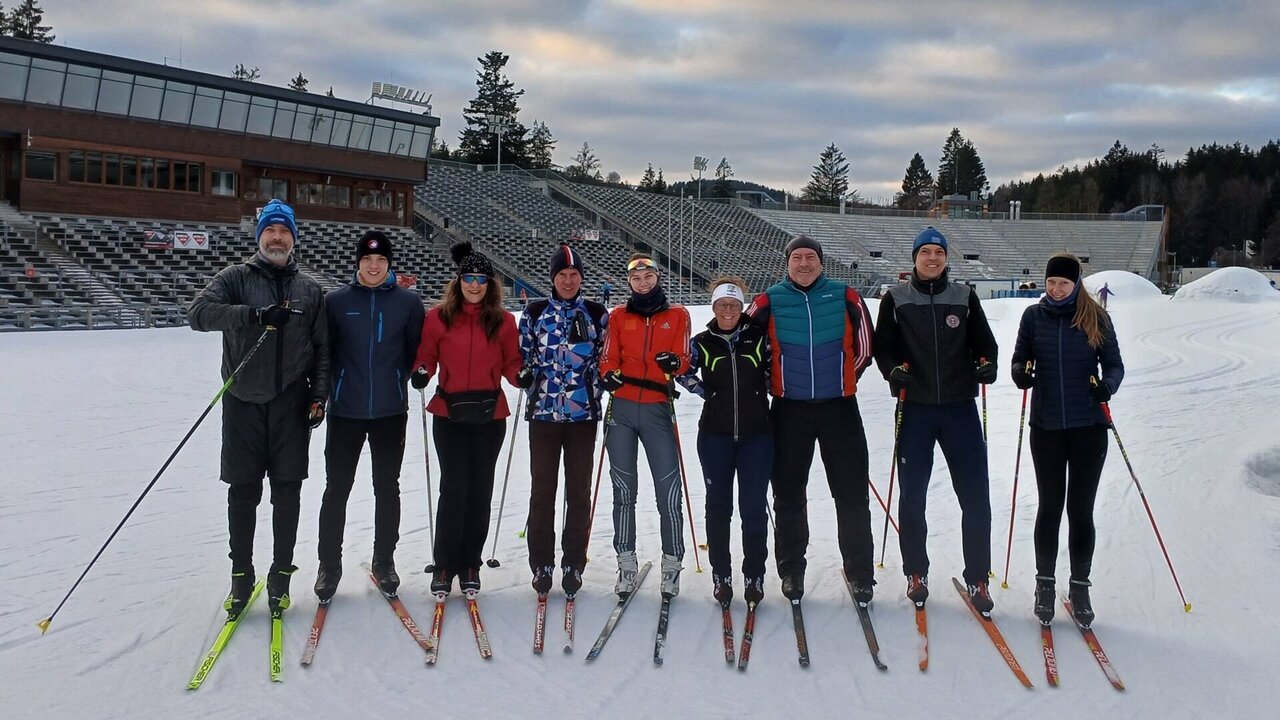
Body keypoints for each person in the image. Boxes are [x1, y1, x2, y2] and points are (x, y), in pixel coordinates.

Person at [188, 199, 330, 616]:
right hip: (243, 400)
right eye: (271, 230)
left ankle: (280, 576)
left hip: (291, 402)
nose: (277, 237)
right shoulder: (235, 277)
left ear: (293, 239)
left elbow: (323, 349)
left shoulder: (310, 289)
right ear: (260, 236)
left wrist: (319, 396)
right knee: (243, 491)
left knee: (287, 491)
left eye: (284, 231)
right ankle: (241, 575)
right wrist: (253, 315)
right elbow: (198, 314)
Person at [873, 227, 998, 614]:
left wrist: (987, 365)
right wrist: (893, 370)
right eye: (925, 252)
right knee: (913, 496)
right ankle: (916, 572)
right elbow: (883, 349)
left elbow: (986, 345)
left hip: (960, 408)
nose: (932, 258)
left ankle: (978, 577)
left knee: (975, 496)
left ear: (946, 258)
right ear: (914, 258)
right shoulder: (895, 298)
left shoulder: (964, 296)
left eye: (938, 253)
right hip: (916, 409)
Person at [745, 236, 876, 604]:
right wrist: (771, 381)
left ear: (821, 262)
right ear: (787, 263)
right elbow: (745, 345)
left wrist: (843, 379)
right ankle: (791, 570)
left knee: (850, 492)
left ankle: (860, 571)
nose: (804, 264)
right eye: (797, 258)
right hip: (790, 410)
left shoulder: (845, 296)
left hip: (839, 408)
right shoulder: (768, 300)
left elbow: (866, 346)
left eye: (811, 257)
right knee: (788, 494)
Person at [1011, 253, 1124, 627]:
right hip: (1046, 427)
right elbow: (1019, 358)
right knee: (1049, 506)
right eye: (1051, 283)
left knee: (1080, 509)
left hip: (1088, 427)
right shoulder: (1033, 317)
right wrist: (1021, 374)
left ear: (1076, 284)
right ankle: (1045, 585)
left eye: (1064, 283)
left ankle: (1079, 587)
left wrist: (1107, 386)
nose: (1056, 289)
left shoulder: (1095, 317)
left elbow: (1114, 364)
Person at [314, 231, 424, 601]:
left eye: (380, 261)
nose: (373, 266)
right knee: (337, 489)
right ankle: (329, 565)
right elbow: (325, 353)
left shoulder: (408, 303)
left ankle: (384, 560)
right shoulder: (336, 301)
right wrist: (324, 394)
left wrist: (400, 379)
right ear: (357, 263)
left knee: (386, 487)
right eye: (366, 260)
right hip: (345, 410)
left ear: (389, 264)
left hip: (390, 411)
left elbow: (413, 354)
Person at [410, 241, 521, 596]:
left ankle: (470, 561)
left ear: (490, 285)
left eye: (481, 279)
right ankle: (444, 564)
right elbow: (425, 356)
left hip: (490, 415)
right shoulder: (438, 317)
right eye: (468, 278)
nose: (474, 285)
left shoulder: (502, 322)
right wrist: (423, 372)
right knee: (454, 488)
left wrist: (523, 377)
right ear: (458, 281)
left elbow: (512, 363)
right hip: (450, 413)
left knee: (480, 489)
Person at [518, 243, 609, 598]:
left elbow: (604, 360)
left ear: (581, 278)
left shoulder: (597, 313)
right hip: (543, 413)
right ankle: (541, 562)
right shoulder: (535, 312)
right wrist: (523, 375)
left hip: (582, 414)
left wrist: (599, 385)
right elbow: (522, 355)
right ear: (552, 278)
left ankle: (574, 561)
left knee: (578, 491)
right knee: (543, 490)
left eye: (574, 275)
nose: (568, 281)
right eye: (562, 275)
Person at [598, 253, 692, 598]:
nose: (643, 283)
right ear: (629, 283)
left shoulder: (677, 315)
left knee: (668, 492)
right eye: (636, 279)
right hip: (621, 409)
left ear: (657, 278)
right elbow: (607, 356)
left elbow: (684, 358)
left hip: (656, 408)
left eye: (648, 277)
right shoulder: (619, 316)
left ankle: (672, 564)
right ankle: (626, 562)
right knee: (624, 491)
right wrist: (607, 373)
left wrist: (676, 363)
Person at [677, 277, 772, 607]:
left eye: (733, 305)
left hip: (757, 436)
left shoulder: (759, 339)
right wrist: (707, 393)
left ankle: (754, 573)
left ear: (741, 307)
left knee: (753, 508)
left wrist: (766, 392)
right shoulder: (702, 342)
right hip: (715, 436)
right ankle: (722, 573)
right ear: (714, 307)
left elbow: (776, 372)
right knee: (718, 507)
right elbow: (682, 371)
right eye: (722, 305)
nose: (728, 310)